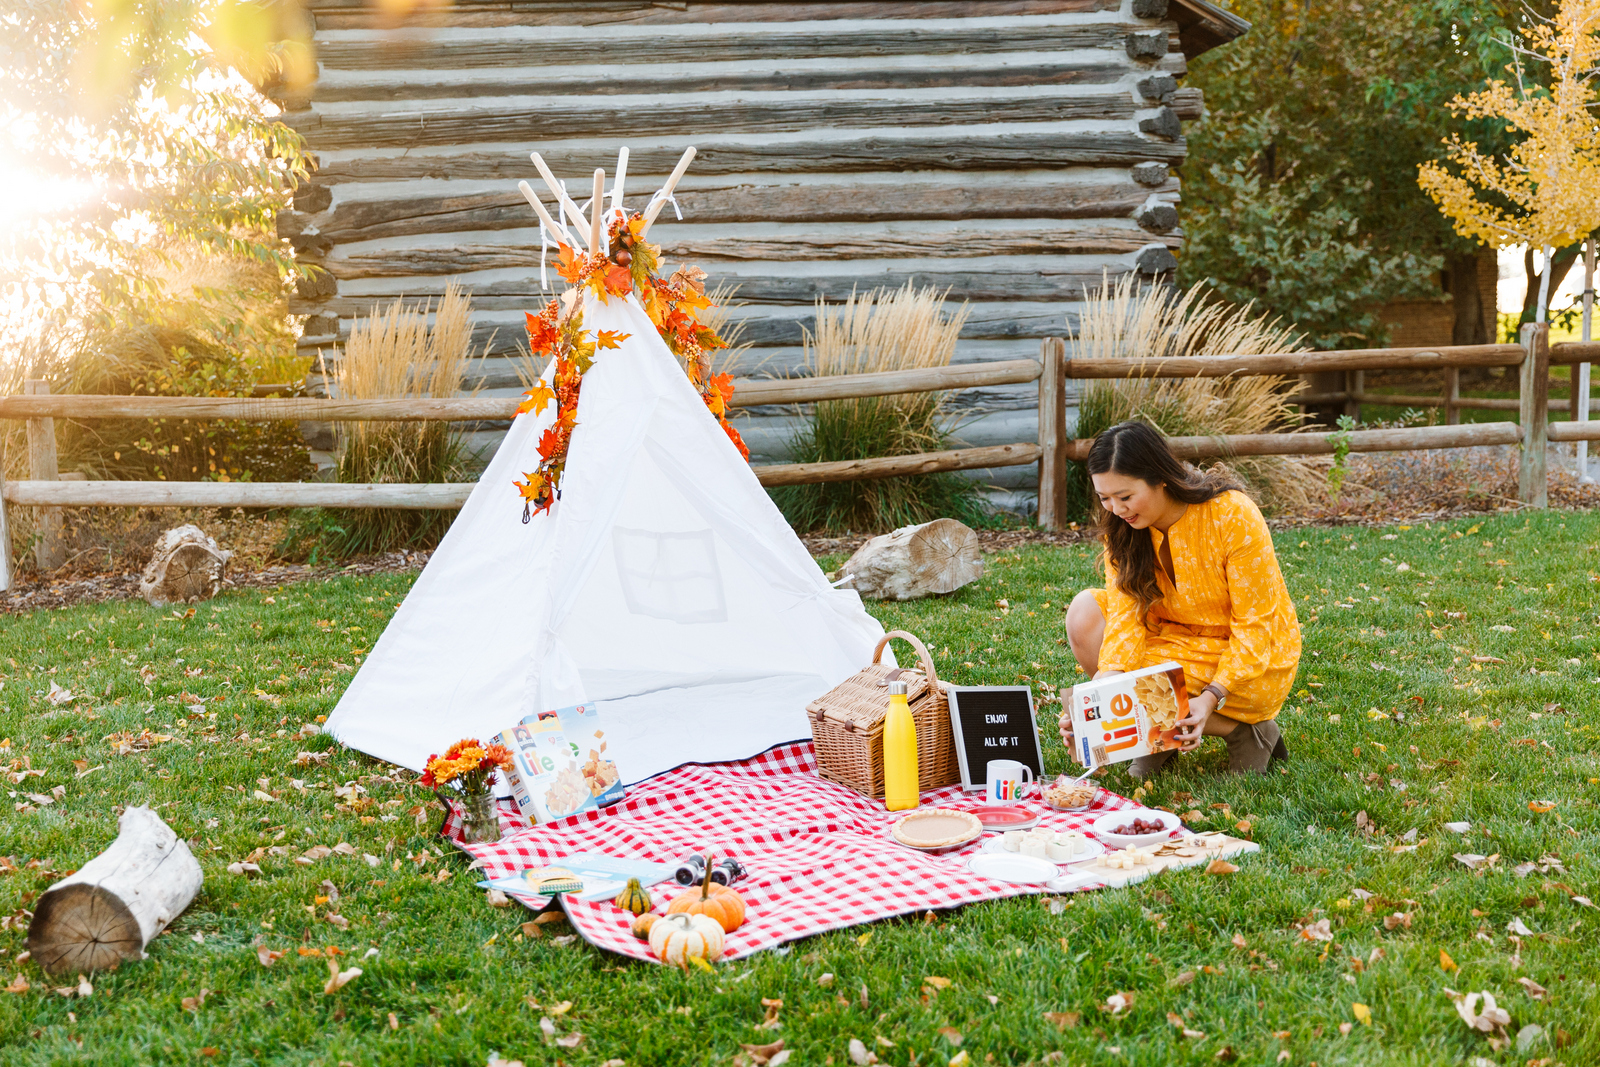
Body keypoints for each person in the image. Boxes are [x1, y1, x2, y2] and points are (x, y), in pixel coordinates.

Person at [1058, 420, 1301, 775]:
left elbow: (1256, 624)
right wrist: (1095, 703)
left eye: (1125, 496)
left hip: (1252, 653)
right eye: (1104, 498)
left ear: (1161, 478)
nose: (1116, 509)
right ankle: (1156, 735)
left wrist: (1210, 696)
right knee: (1084, 611)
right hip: (1172, 638)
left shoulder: (1232, 514)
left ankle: (1245, 732)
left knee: (1148, 686)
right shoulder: (1122, 529)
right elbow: (1125, 620)